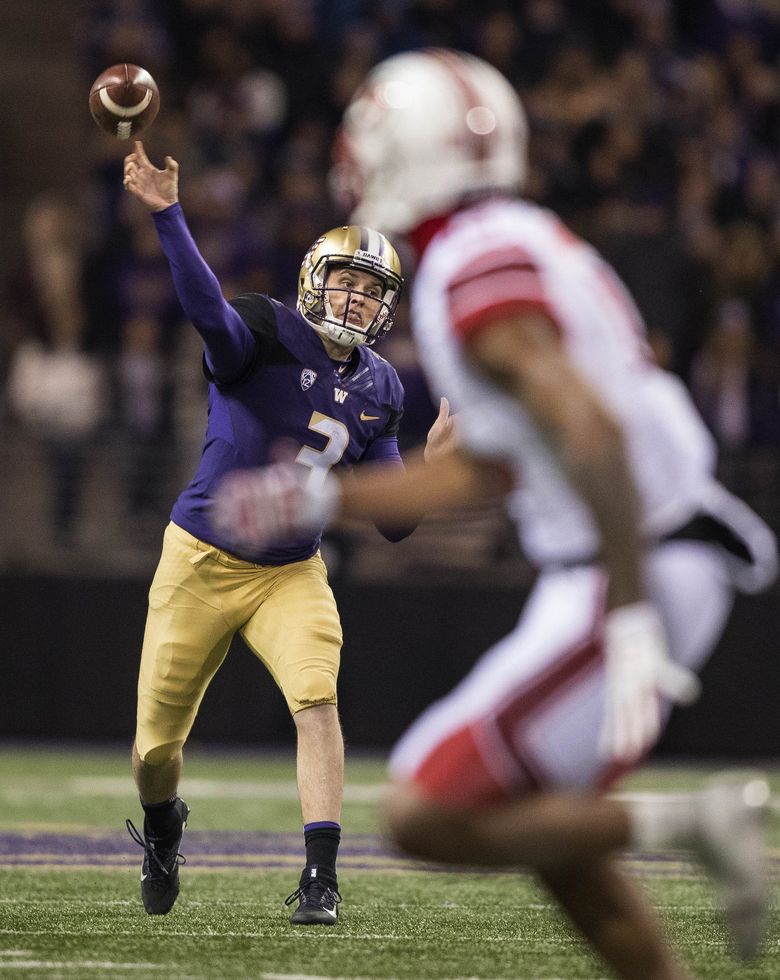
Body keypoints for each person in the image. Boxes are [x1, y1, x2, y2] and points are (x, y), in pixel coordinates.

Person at [211, 51, 778, 978]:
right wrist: (322, 495)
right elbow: (494, 468)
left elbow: (588, 428)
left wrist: (629, 613)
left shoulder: (473, 259)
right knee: (556, 845)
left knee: (430, 808)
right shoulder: (511, 237)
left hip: (631, 560)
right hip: (638, 552)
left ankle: (694, 822)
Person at [120, 140, 452, 925]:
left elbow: (398, 525)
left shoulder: (383, 384)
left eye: (372, 291)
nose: (358, 299)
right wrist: (169, 215)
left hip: (289, 571)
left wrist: (435, 467)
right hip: (198, 559)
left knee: (318, 700)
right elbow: (206, 311)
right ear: (312, 279)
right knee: (154, 753)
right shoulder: (263, 329)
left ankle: (320, 877)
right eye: (345, 280)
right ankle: (163, 829)